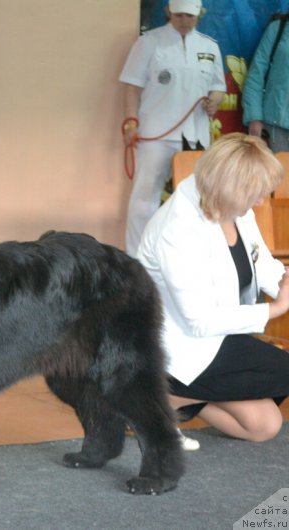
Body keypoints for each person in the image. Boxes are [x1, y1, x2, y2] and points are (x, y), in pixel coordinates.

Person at [137, 133, 289, 448]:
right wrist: (274, 310)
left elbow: (263, 265)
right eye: (255, 194)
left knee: (264, 425)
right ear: (230, 188)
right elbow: (199, 321)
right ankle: (153, 390)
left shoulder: (233, 207)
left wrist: (284, 284)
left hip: (218, 335)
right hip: (183, 345)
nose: (260, 202)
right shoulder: (177, 227)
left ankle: (166, 400)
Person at [119, 0, 226, 255]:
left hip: (195, 137)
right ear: (168, 13)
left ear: (199, 15)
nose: (184, 20)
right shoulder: (148, 43)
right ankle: (136, 258)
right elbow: (132, 88)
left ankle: (189, 255)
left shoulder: (210, 46)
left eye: (189, 16)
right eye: (178, 15)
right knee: (144, 200)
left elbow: (219, 87)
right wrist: (131, 122)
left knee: (198, 200)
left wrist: (215, 102)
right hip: (155, 135)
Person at [243, 14, 289, 152]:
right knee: (276, 173)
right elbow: (256, 75)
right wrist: (254, 117)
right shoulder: (277, 29)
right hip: (275, 128)